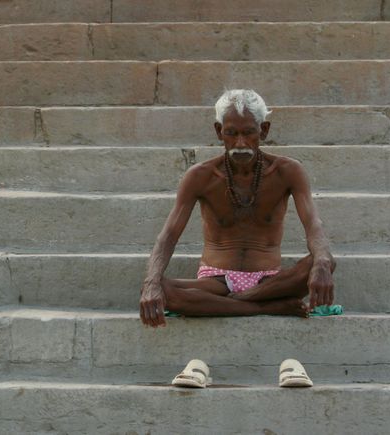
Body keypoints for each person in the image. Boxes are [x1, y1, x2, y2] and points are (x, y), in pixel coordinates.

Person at [139, 89, 336, 327]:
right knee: (162, 290)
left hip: (270, 283)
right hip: (216, 281)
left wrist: (322, 262)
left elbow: (313, 224)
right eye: (231, 133)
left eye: (249, 132)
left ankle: (240, 302)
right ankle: (267, 308)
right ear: (218, 131)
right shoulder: (200, 176)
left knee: (324, 263)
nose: (240, 143)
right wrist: (151, 284)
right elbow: (168, 235)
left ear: (263, 130)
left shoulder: (287, 171)